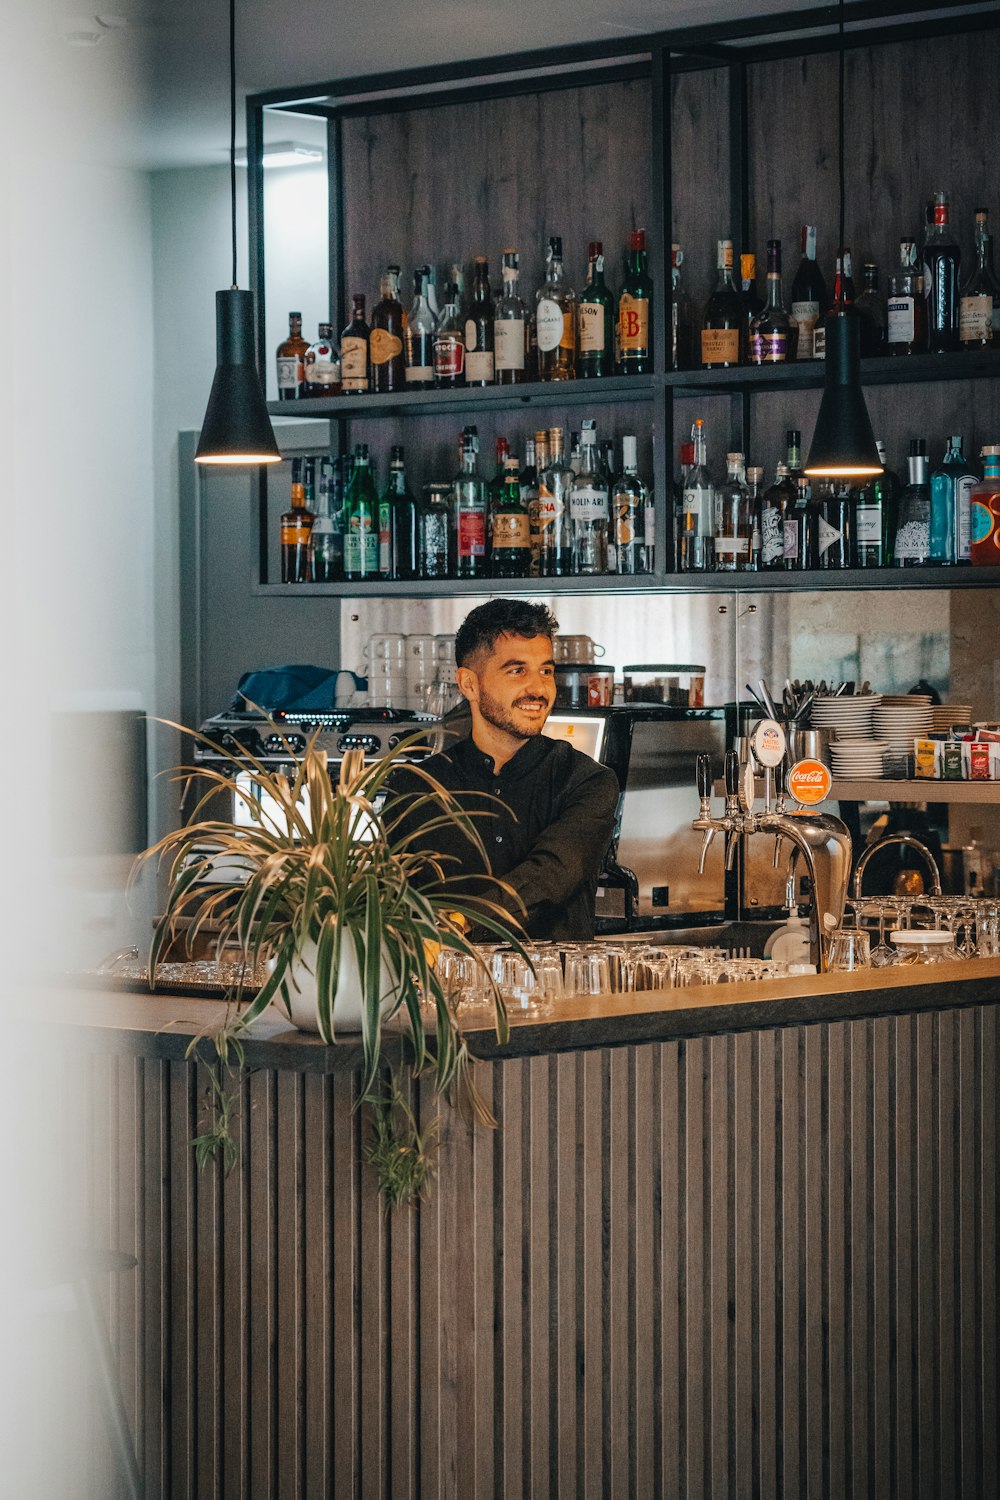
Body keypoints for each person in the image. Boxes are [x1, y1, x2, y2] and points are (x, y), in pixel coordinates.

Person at [388, 599, 619, 941]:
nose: (539, 689)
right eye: (517, 671)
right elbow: (391, 901)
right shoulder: (416, 788)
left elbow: (550, 875)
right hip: (452, 991)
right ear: (469, 684)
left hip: (557, 989)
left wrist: (461, 921)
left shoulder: (587, 782)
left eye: (546, 671)